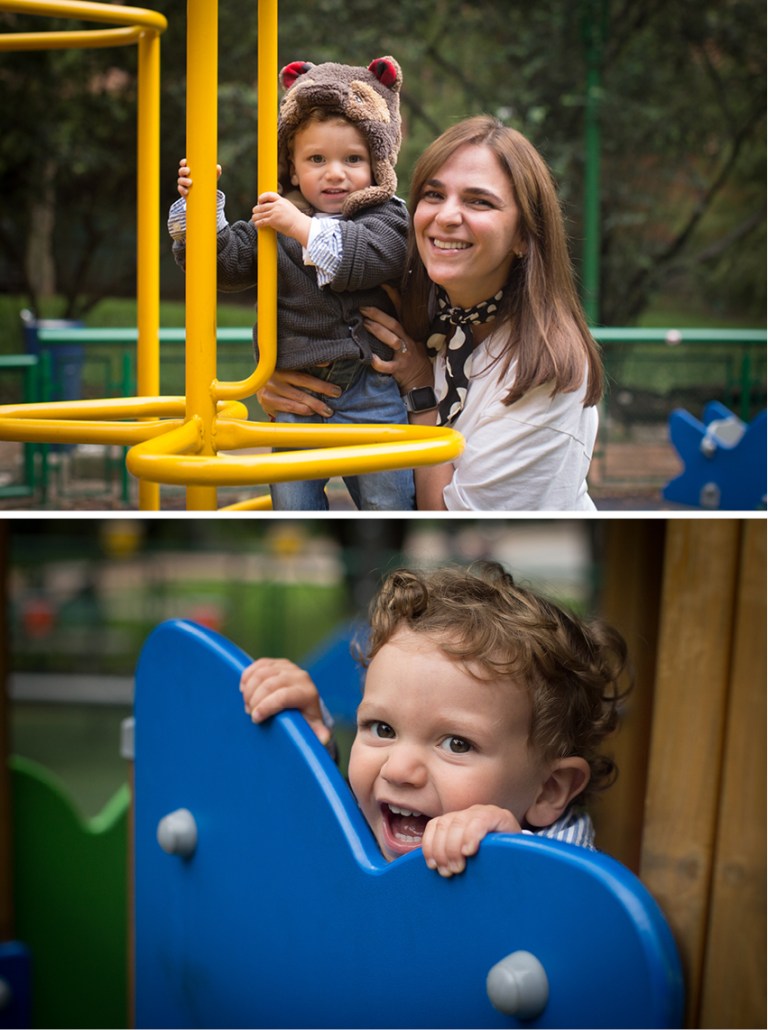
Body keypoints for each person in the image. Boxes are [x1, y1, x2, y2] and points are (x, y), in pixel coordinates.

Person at [257, 115, 604, 511]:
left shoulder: (545, 373)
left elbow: (446, 520)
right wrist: (284, 380)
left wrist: (421, 391)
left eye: (479, 201)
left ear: (524, 235)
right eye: (434, 195)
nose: (446, 216)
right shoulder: (407, 301)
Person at [240, 561, 630, 878]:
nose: (399, 770)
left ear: (548, 790)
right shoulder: (376, 813)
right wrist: (305, 745)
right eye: (383, 729)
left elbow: (578, 931)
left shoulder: (569, 874)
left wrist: (512, 863)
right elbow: (315, 832)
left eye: (456, 744)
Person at [168, 57, 414, 511]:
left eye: (353, 159)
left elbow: (366, 257)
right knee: (293, 506)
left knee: (388, 503)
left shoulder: (387, 216)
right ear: (293, 167)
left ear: (378, 164)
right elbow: (224, 264)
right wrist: (200, 205)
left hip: (369, 388)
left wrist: (298, 227)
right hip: (295, 392)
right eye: (316, 159)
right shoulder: (276, 220)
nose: (335, 173)